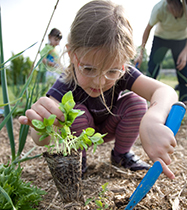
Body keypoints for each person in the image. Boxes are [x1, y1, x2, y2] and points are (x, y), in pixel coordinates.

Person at [19, 0, 178, 180]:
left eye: (112, 71)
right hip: (80, 134)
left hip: (110, 126)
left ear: (124, 62)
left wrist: (153, 119)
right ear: (72, 55)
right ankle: (79, 160)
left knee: (136, 102)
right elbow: (41, 140)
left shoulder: (123, 72)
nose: (100, 81)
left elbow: (166, 92)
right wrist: (41, 125)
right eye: (88, 69)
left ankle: (121, 155)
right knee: (75, 112)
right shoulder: (66, 83)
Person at [134, 0, 187, 104]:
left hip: (181, 40)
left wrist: (185, 53)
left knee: (183, 70)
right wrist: (141, 53)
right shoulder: (159, 8)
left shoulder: (186, 7)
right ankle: (143, 99)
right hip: (161, 39)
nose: (172, 12)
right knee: (152, 69)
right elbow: (147, 29)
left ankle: (184, 100)